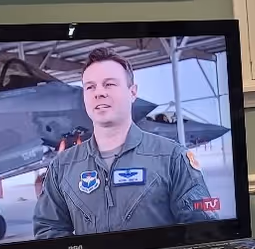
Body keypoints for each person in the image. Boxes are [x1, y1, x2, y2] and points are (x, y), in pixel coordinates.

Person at [33, 47, 220, 239]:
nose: (99, 93)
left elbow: (204, 231)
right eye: (90, 87)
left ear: (133, 92)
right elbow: (49, 229)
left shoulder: (172, 157)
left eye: (109, 84)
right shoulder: (62, 167)